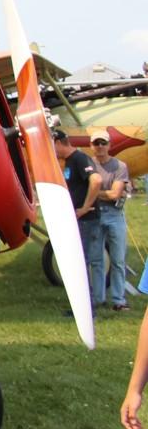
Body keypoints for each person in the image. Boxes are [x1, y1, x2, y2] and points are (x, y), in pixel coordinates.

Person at [53, 129, 104, 309]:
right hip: (78, 220)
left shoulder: (80, 158)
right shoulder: (68, 161)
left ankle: (87, 308)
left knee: (81, 262)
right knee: (79, 262)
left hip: (86, 220)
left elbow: (96, 180)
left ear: (58, 142)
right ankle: (83, 306)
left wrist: (83, 208)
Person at [88, 128, 131, 311]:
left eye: (103, 143)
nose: (100, 146)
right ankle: (98, 299)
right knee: (96, 259)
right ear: (91, 146)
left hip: (115, 215)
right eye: (96, 143)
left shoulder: (119, 166)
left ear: (109, 145)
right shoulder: (88, 165)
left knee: (118, 260)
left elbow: (115, 194)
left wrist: (93, 192)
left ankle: (118, 300)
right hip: (95, 216)